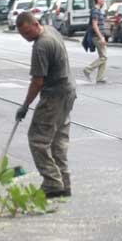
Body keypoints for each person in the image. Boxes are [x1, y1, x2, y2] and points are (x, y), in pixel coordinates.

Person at [15, 11, 77, 198]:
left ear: (35, 24)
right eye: (22, 35)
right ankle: (64, 182)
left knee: (38, 138)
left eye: (27, 33)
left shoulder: (41, 46)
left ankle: (52, 182)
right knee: (58, 139)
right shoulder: (51, 31)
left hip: (54, 96)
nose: (26, 38)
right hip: (68, 91)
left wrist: (25, 105)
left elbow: (38, 81)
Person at [82, 0, 108, 84]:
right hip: (97, 37)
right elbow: (94, 25)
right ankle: (88, 69)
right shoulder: (95, 11)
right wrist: (101, 37)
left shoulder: (98, 10)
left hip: (100, 36)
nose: (104, 0)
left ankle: (100, 78)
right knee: (104, 57)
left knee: (103, 56)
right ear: (98, 0)